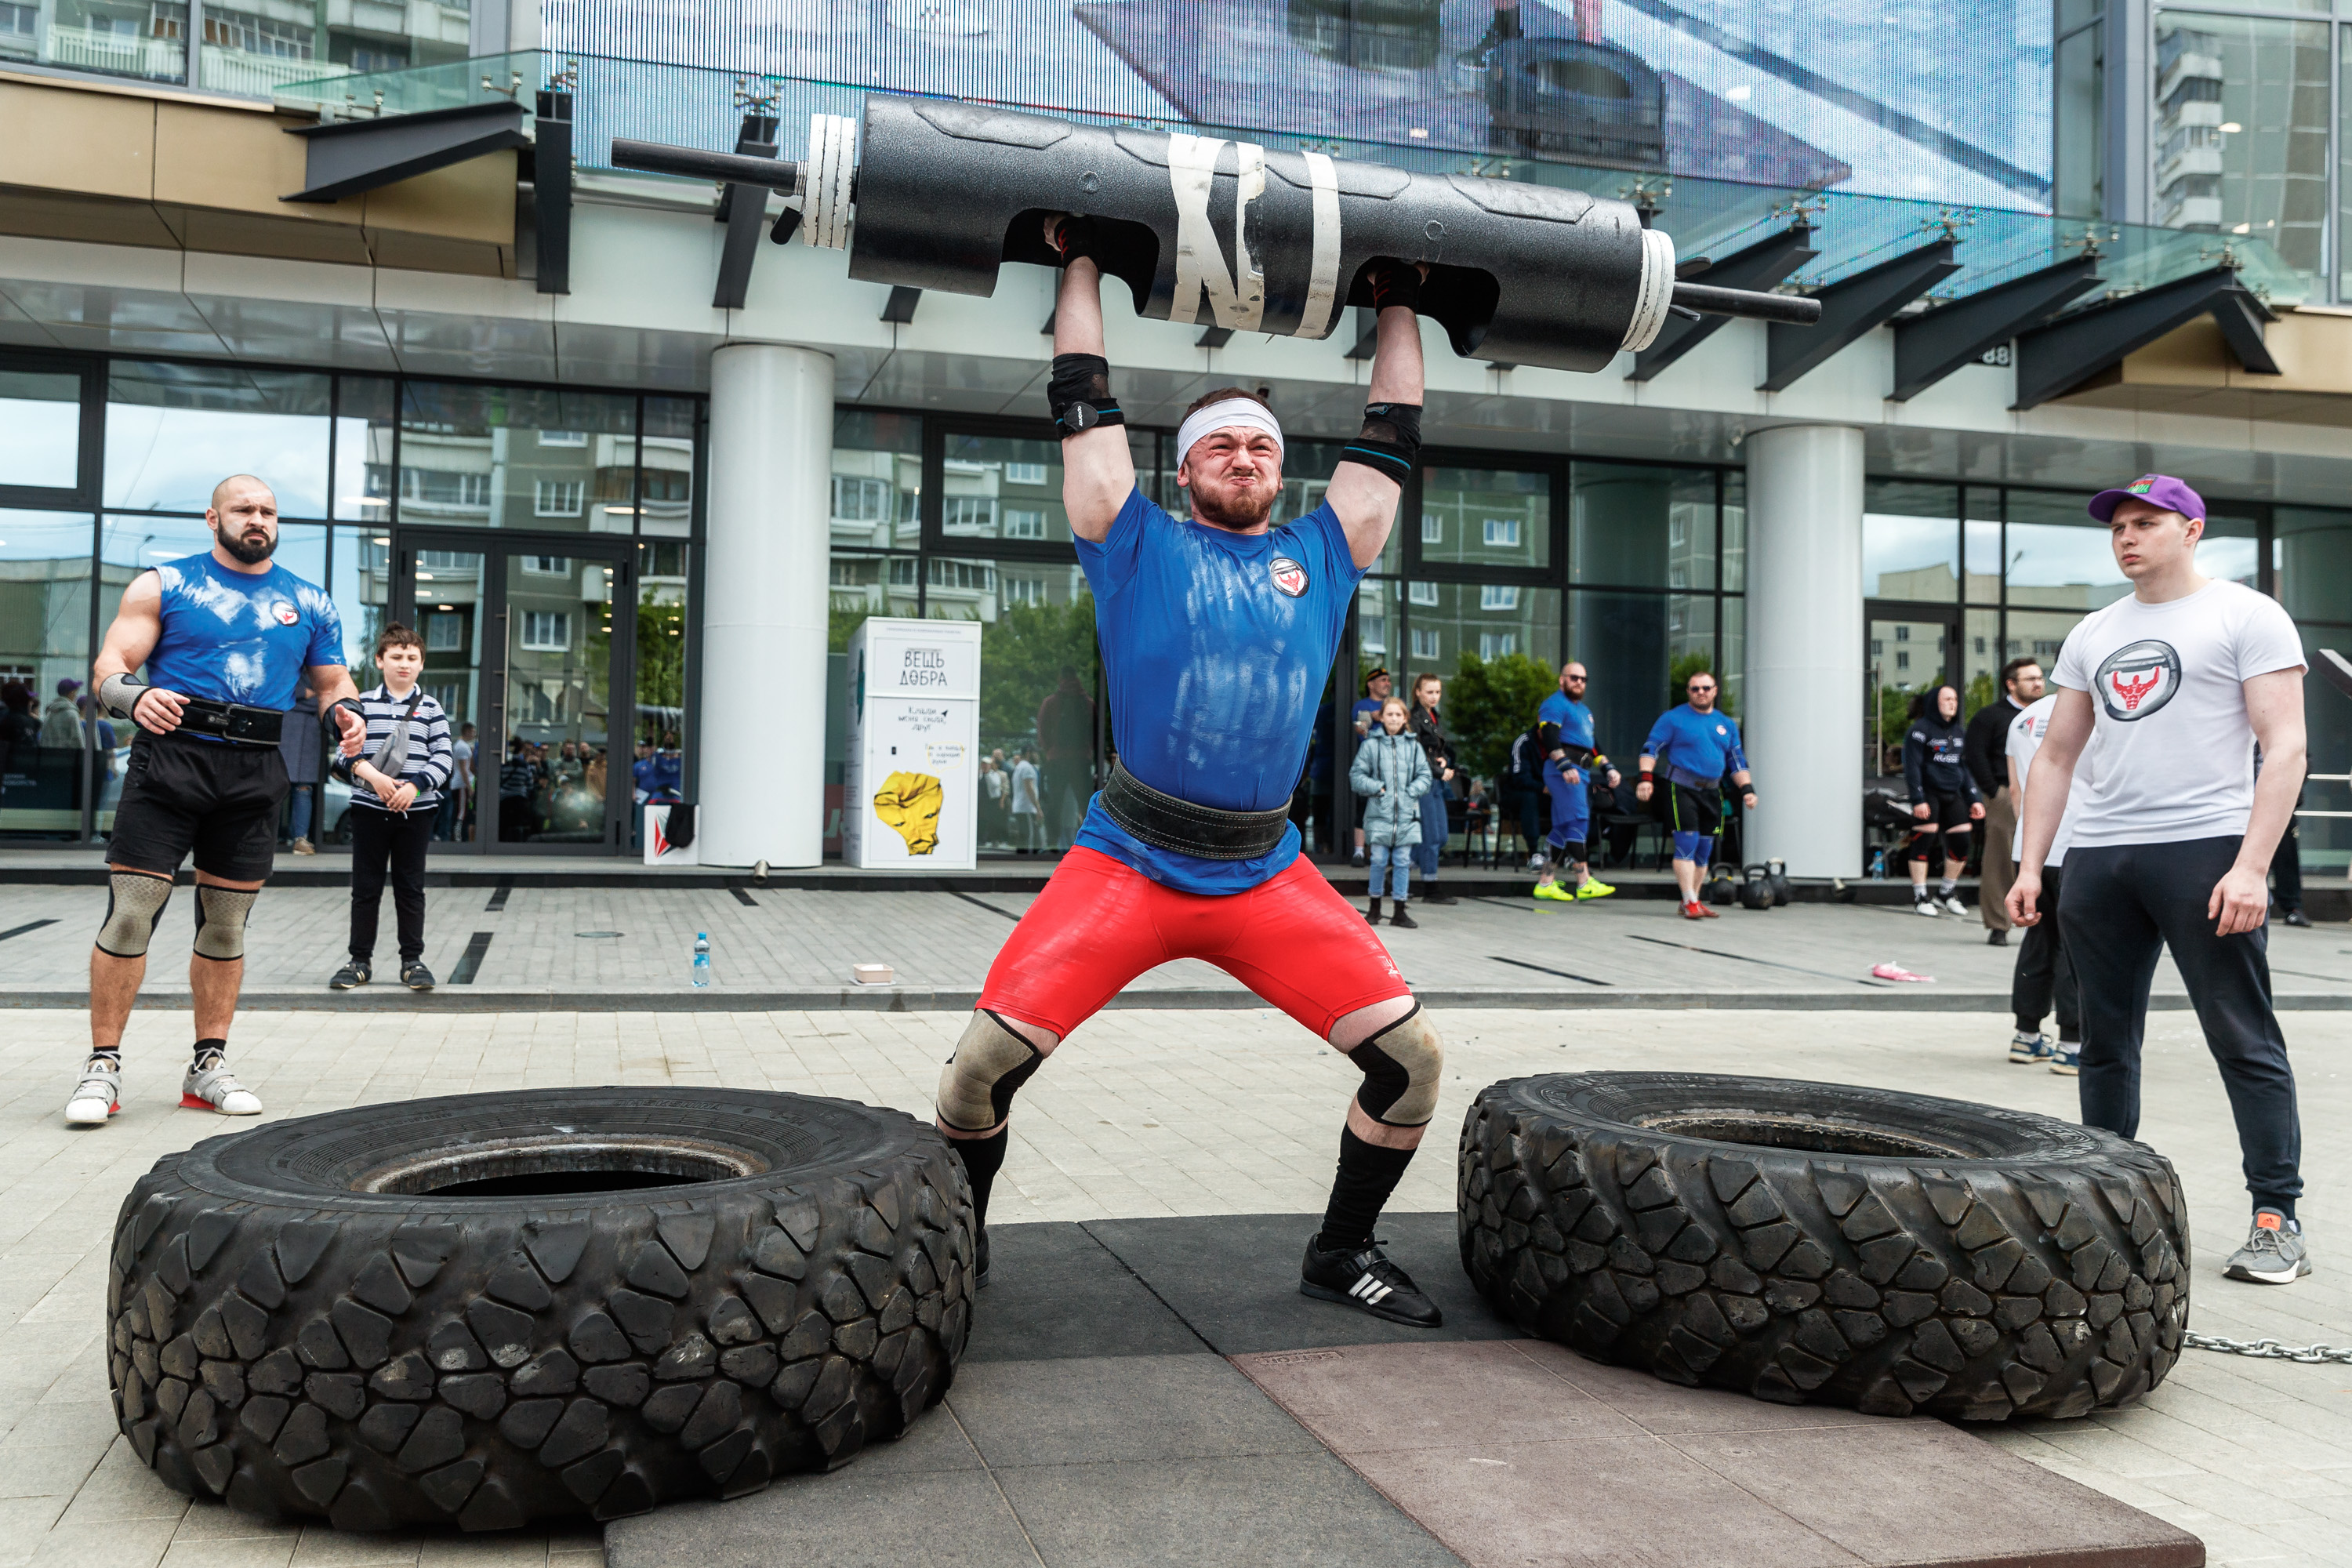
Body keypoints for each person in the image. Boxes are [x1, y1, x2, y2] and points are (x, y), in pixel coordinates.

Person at [935, 219, 1446, 1326]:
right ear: (1185, 466)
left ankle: (1341, 1250)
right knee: (972, 1077)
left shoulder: (1322, 551)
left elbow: (1394, 428)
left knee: (1412, 1066)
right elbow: (1081, 395)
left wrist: (1398, 296)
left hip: (1264, 875)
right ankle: (956, 1248)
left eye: (1261, 446)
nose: (1246, 458)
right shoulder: (1133, 540)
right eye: (1223, 445)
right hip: (1127, 862)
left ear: (1282, 468)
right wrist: (1079, 261)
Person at [2006, 474, 2310, 1287]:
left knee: (2241, 1035)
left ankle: (2276, 1215)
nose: (2128, 536)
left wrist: (2251, 865)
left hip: (2205, 847)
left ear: (2192, 529)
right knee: (2103, 1043)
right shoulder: (2095, 630)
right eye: (2118, 526)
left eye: (2147, 522)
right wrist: (2033, 864)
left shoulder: (2246, 615)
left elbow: (2286, 748)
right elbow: (2058, 754)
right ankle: (2107, 1205)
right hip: (2102, 857)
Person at [69, 474, 365, 1128]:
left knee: (227, 921)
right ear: (213, 518)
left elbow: (331, 679)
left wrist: (344, 710)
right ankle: (103, 1066)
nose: (257, 519)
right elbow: (110, 663)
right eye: (244, 509)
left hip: (256, 766)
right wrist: (133, 695)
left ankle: (207, 1065)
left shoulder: (310, 601)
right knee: (132, 912)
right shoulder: (164, 584)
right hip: (171, 756)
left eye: (267, 511)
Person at [329, 623, 453, 991]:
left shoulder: (431, 708)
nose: (404, 664)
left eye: (412, 658)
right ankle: (359, 961)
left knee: (410, 887)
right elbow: (342, 757)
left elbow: (443, 758)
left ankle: (412, 961)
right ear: (380, 660)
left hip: (416, 813)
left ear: (421, 664)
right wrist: (378, 783)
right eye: (396, 657)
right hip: (369, 810)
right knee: (365, 888)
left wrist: (415, 788)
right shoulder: (361, 705)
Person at [2004, 690, 2088, 1069]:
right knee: (2078, 945)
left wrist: (2029, 844)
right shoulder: (2092, 712)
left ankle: (2027, 1035)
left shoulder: (2023, 719)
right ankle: (2072, 1042)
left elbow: (2018, 792)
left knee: (2038, 937)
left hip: (2032, 847)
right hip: (2078, 841)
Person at [1635, 670, 1754, 920]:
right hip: (1682, 788)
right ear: (1688, 692)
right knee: (1686, 845)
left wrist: (1747, 789)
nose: (1701, 692)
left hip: (1712, 791)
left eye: (1706, 688)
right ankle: (1690, 900)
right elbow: (1651, 747)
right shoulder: (1673, 719)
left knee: (1704, 850)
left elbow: (1736, 760)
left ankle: (1692, 900)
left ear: (1715, 690)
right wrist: (1646, 778)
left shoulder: (1726, 724)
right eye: (1695, 689)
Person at [1965, 658, 2042, 945]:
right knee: (2001, 861)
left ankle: (2041, 924)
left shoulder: (2050, 713)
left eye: (2040, 678)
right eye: (2030, 679)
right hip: (2005, 795)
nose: (2039, 684)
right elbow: (1974, 756)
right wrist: (1994, 791)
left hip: (2046, 796)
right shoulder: (1990, 717)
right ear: (2011, 684)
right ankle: (1999, 924)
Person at [1531, 661, 1617, 903]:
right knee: (1578, 820)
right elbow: (1549, 737)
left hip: (1580, 771)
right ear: (1562, 680)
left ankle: (1546, 883)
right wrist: (1564, 766)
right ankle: (1584, 882)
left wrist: (1608, 767)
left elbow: (1593, 745)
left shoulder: (1584, 711)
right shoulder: (1554, 704)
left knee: (1563, 826)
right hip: (1564, 772)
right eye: (1574, 678)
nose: (1579, 682)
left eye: (1583, 679)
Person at [1901, 684, 1984, 916]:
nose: (1953, 703)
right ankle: (1920, 897)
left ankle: (1945, 893)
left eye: (1955, 699)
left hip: (1952, 794)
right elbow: (1912, 767)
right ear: (1933, 703)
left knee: (1962, 841)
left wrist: (1974, 798)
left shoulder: (1959, 732)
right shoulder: (1919, 730)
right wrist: (1918, 799)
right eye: (1947, 699)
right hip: (1928, 794)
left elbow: (1964, 768)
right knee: (1923, 840)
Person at [1352, 695, 1430, 927]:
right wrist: (1377, 788)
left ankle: (1399, 911)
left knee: (1402, 860)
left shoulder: (1414, 747)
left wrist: (1411, 791)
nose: (1394, 718)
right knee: (1377, 860)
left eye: (1398, 714)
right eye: (1389, 714)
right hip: (1379, 815)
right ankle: (1374, 908)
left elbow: (1425, 776)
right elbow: (1356, 776)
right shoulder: (1371, 745)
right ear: (1382, 718)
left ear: (1405, 718)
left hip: (1407, 815)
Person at [1405, 673, 1457, 905]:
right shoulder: (1415, 718)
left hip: (1434, 782)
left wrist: (1443, 760)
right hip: (1424, 782)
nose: (1434, 696)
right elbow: (1416, 755)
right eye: (1429, 692)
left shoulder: (1432, 717)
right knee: (1432, 837)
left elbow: (1433, 750)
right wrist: (1439, 771)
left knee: (1441, 836)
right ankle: (1430, 886)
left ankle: (1401, 867)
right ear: (1418, 692)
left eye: (1437, 692)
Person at [1036, 666, 1096, 851]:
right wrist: (1088, 751)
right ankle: (1090, 844)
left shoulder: (1051, 702)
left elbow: (1042, 729)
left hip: (1057, 758)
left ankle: (1053, 842)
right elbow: (1095, 731)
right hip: (1080, 759)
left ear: (1060, 678)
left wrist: (1049, 750)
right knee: (1086, 802)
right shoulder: (1088, 702)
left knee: (1055, 803)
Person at [1348, 667, 1392, 866]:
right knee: (1364, 808)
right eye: (1383, 680)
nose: (1387, 684)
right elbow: (1360, 731)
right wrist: (1372, 717)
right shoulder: (1362, 706)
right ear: (1371, 684)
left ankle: (1387, 852)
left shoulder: (1392, 705)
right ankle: (1359, 852)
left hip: (1391, 763)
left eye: (1388, 680)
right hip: (1370, 764)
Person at [279, 673, 321, 853]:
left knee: (304, 789)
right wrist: (302, 694)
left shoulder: (320, 667)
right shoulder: (290, 664)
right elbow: (280, 691)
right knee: (275, 786)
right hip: (284, 730)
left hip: (309, 734)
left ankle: (300, 839)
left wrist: (303, 697)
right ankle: (271, 835)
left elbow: (324, 697)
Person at [499, 735, 535, 842]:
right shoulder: (524, 765)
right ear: (521, 749)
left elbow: (499, 780)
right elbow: (530, 784)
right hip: (519, 800)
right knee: (518, 826)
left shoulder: (503, 764)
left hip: (504, 799)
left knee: (504, 825)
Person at [445, 720, 476, 843]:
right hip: (461, 784)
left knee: (460, 811)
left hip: (459, 783)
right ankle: (457, 837)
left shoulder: (460, 745)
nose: (474, 734)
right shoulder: (463, 747)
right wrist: (469, 786)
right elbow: (463, 769)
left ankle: (457, 836)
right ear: (467, 731)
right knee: (461, 812)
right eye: (473, 732)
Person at [1008, 745, 1044, 852]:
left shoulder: (1019, 767)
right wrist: (1038, 808)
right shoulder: (1027, 768)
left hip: (1021, 807)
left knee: (1023, 838)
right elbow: (1029, 788)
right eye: (1035, 753)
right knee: (1029, 840)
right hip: (1027, 808)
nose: (1037, 756)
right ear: (1029, 753)